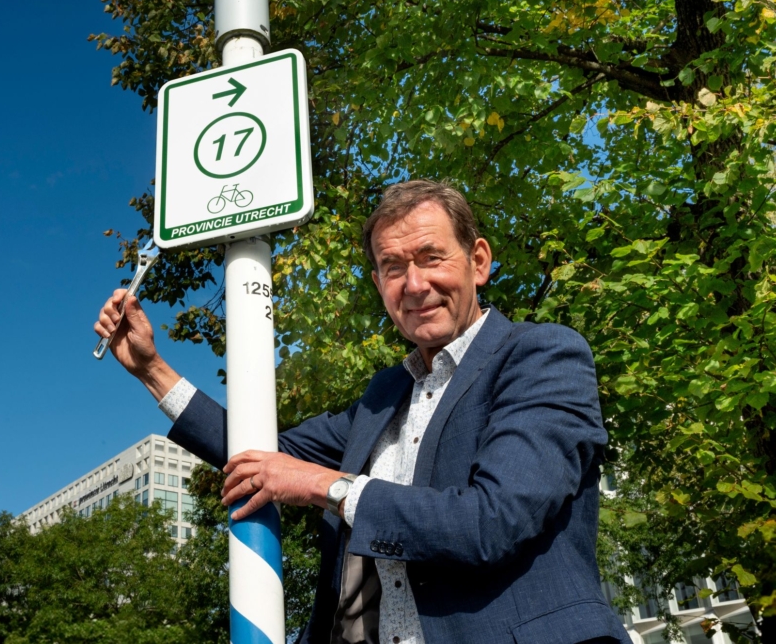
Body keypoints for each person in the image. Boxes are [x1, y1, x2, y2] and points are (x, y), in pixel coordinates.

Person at [95, 180, 631, 644]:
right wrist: (152, 370)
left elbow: (493, 521)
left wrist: (326, 487)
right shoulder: (383, 396)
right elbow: (263, 456)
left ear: (479, 262)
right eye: (392, 267)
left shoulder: (542, 356)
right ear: (379, 285)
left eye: (431, 257)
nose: (414, 284)